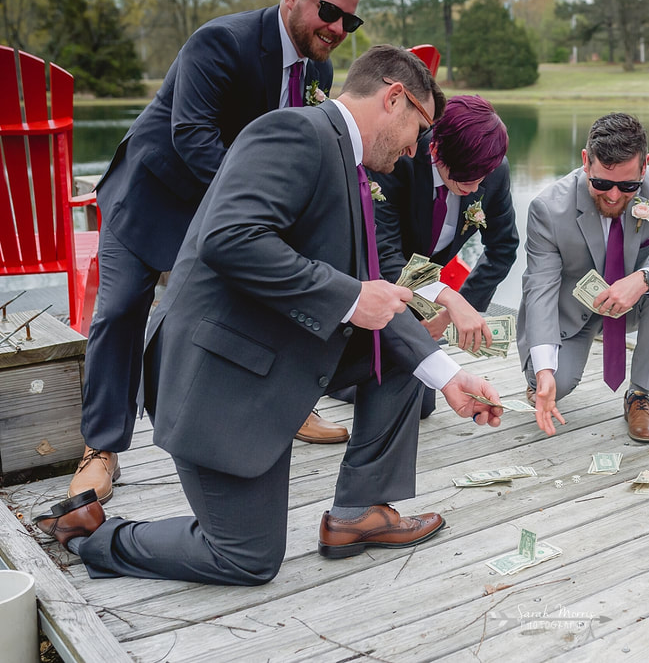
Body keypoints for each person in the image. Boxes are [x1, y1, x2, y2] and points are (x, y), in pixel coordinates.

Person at [33, 45, 508, 585]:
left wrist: (449, 376)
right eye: (420, 127)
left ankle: (360, 513)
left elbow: (381, 295)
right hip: (217, 376)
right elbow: (229, 238)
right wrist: (350, 298)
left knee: (405, 351)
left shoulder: (349, 159)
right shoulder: (292, 133)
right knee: (245, 557)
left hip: (273, 353)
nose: (415, 148)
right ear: (394, 98)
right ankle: (96, 535)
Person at [73, 0, 365, 505]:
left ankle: (288, 409)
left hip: (229, 205)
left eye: (349, 21)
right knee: (119, 311)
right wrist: (260, 209)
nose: (337, 29)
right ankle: (100, 448)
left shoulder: (320, 72)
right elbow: (193, 138)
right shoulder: (220, 42)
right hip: (154, 193)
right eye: (329, 11)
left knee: (280, 288)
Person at [516, 113, 649, 442]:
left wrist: (642, 278)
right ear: (586, 161)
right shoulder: (547, 209)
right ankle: (539, 378)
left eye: (627, 186)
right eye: (601, 183)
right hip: (569, 313)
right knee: (557, 382)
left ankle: (639, 396)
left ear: (645, 166)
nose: (613, 196)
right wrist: (543, 372)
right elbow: (539, 290)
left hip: (629, 305)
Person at [372, 94, 517, 417]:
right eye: (465, 177)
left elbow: (503, 247)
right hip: (373, 283)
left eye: (481, 177)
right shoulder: (398, 161)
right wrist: (449, 298)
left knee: (422, 405)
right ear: (435, 150)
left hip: (425, 298)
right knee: (400, 395)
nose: (474, 186)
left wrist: (452, 313)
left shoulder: (492, 172)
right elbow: (384, 255)